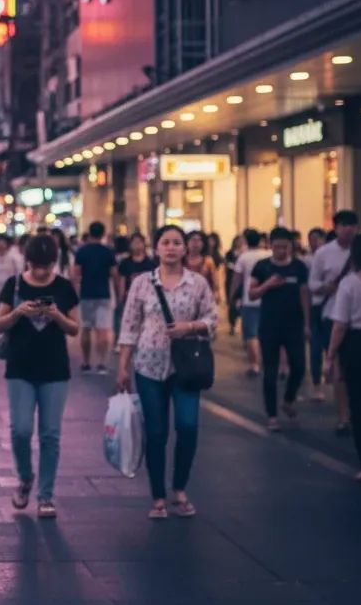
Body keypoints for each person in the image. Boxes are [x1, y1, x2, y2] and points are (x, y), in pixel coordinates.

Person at [117, 225, 217, 519]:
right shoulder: (142, 284)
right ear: (156, 248)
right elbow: (130, 325)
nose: (171, 247)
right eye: (166, 242)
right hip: (148, 365)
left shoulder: (197, 283)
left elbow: (213, 317)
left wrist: (190, 326)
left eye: (177, 243)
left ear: (185, 249)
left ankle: (180, 488)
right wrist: (123, 365)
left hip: (186, 367)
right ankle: (158, 496)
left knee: (187, 427)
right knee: (156, 432)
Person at [0, 233, 79, 517]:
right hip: (20, 368)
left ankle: (45, 495)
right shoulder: (14, 284)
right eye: (37, 265)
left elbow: (75, 328)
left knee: (50, 434)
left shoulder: (64, 287)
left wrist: (56, 315)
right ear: (28, 261)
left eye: (48, 265)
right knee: (20, 430)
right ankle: (24, 477)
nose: (42, 271)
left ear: (55, 262)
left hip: (55, 370)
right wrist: (18, 311)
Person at [249, 228, 310, 430]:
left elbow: (304, 295)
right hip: (269, 326)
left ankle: (289, 399)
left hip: (294, 326)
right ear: (271, 246)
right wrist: (268, 285)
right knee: (271, 372)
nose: (281, 251)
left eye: (285, 247)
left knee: (299, 367)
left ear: (291, 246)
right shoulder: (262, 267)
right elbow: (252, 294)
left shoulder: (299, 267)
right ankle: (272, 415)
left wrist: (307, 324)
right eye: (277, 247)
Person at [310, 210, 360, 434]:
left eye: (352, 225)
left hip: (359, 318)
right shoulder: (323, 253)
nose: (349, 229)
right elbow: (312, 285)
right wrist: (326, 288)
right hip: (333, 315)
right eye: (344, 224)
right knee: (340, 367)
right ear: (336, 227)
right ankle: (344, 416)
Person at [324, 232, 361, 482]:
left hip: (357, 344)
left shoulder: (349, 283)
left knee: (360, 405)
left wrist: (330, 356)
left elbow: (339, 325)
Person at [72, 220, 116, 374]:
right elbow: (114, 274)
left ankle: (86, 362)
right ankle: (102, 363)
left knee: (86, 328)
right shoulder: (107, 251)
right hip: (103, 294)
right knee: (103, 330)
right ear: (103, 233)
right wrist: (117, 291)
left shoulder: (82, 251)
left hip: (86, 294)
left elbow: (76, 274)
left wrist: (75, 292)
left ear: (89, 233)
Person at [230, 228, 271, 377]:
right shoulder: (269, 254)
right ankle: (273, 363)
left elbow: (237, 279)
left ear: (246, 241)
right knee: (268, 333)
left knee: (251, 334)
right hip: (268, 299)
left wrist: (232, 297)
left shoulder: (244, 257)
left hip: (249, 300)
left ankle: (254, 365)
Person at [307, 226, 328, 401]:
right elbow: (309, 287)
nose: (313, 243)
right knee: (315, 350)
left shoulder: (329, 257)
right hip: (315, 309)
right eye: (310, 239)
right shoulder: (307, 260)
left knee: (332, 349)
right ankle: (317, 385)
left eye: (316, 239)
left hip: (332, 311)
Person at [184, 231, 218, 298]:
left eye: (199, 240)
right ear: (187, 243)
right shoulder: (181, 261)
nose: (196, 243)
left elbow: (214, 282)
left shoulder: (208, 261)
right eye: (193, 240)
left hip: (203, 297)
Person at [224, 233, 245, 336]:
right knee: (231, 303)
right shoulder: (229, 253)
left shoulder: (245, 253)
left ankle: (242, 324)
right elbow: (227, 264)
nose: (239, 243)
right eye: (238, 241)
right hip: (230, 280)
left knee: (242, 304)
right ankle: (232, 324)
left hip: (242, 282)